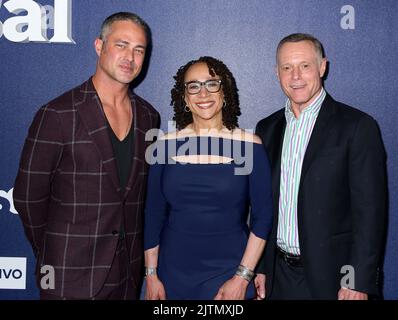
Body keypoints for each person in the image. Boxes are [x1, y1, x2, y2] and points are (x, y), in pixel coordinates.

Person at [13, 12, 160, 300]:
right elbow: (28, 196)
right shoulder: (57, 113)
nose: (130, 56)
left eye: (138, 49)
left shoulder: (148, 116)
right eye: (121, 44)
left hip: (127, 274)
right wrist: (54, 250)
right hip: (67, 272)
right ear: (99, 46)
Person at [255, 33, 387, 300]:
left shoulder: (357, 126)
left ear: (322, 67)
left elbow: (370, 212)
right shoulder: (266, 128)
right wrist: (260, 268)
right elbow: (262, 208)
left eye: (305, 66)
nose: (295, 76)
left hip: (335, 280)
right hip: (278, 276)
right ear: (276, 72)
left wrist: (356, 281)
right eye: (287, 67)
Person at [143, 56, 273, 300]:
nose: (203, 93)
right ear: (184, 97)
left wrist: (242, 276)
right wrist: (151, 275)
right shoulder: (164, 145)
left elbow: (263, 217)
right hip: (171, 275)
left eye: (212, 84)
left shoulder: (249, 146)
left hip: (230, 273)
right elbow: (153, 213)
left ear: (225, 92)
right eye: (193, 86)